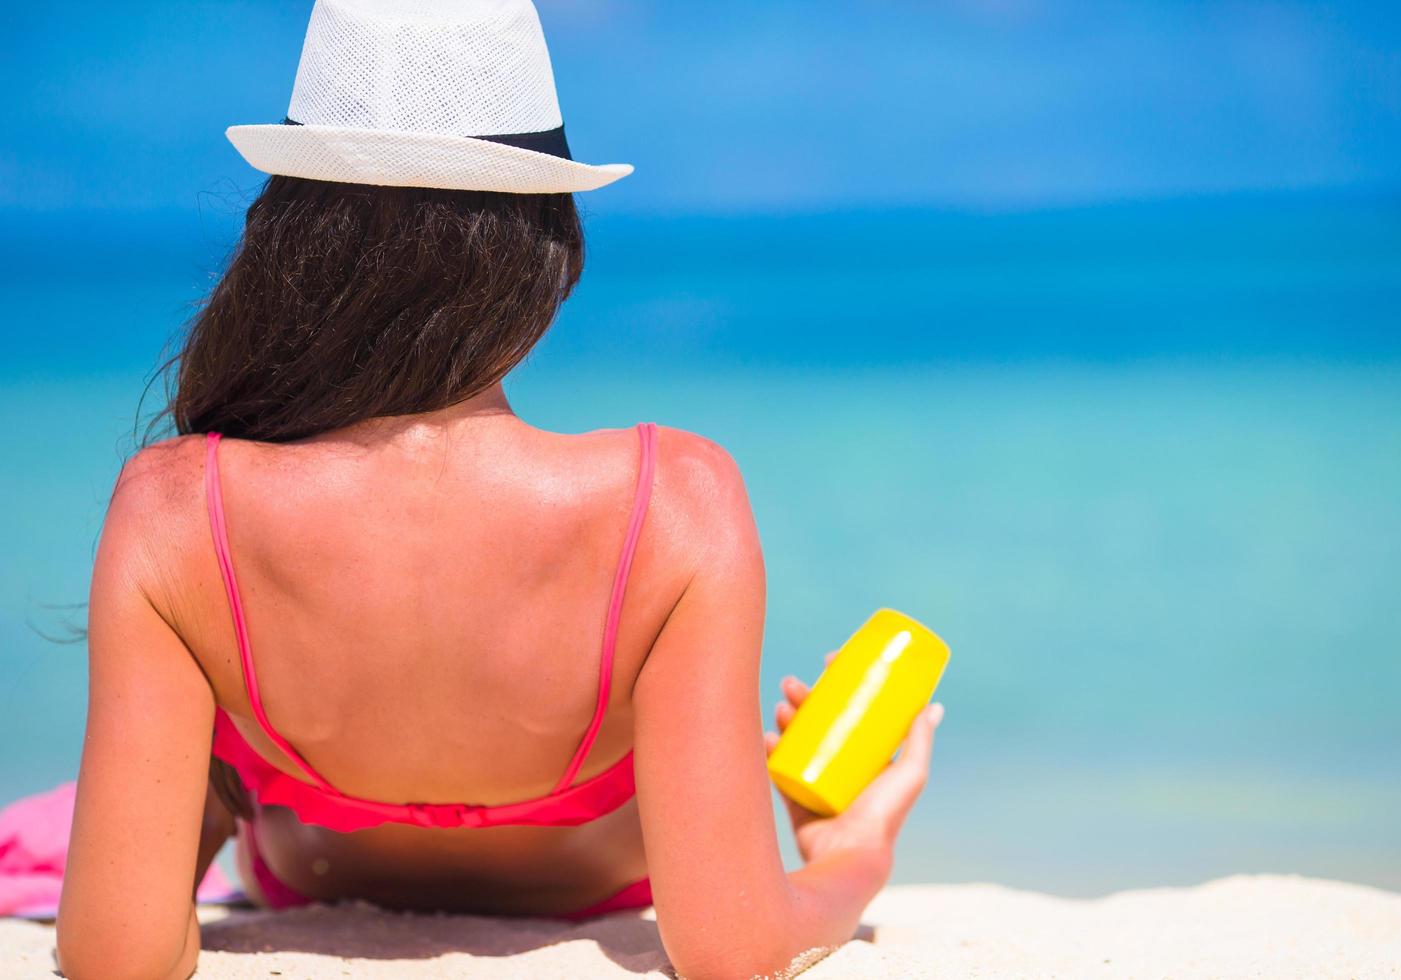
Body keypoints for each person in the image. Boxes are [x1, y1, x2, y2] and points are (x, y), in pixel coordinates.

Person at [55, 2, 941, 978]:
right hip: (603, 879)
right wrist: (850, 848)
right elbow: (733, 950)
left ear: (286, 243)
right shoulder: (673, 503)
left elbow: (118, 958)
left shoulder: (177, 510)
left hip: (299, 867)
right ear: (550, 253)